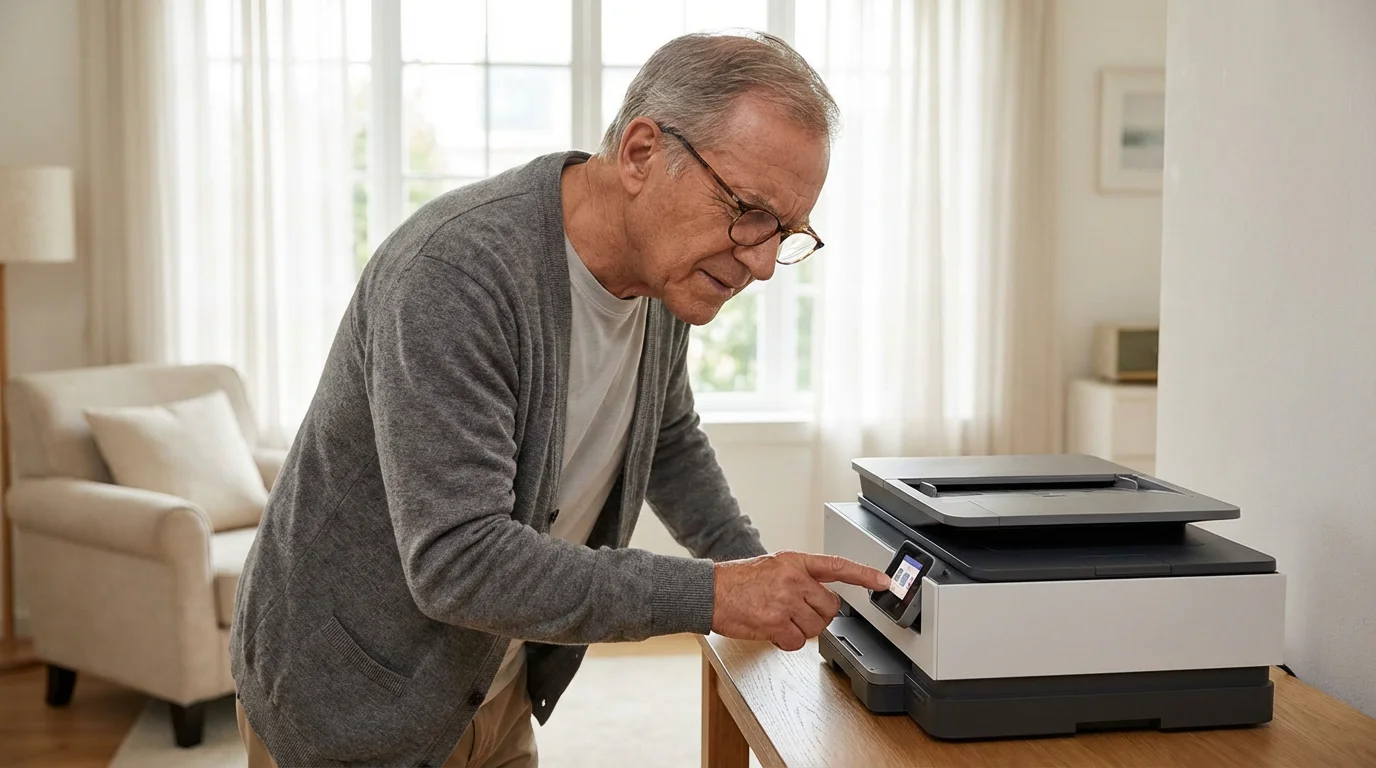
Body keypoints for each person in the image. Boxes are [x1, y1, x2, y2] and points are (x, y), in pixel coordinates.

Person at [229, 29, 890, 768]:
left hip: (485, 686)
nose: (764, 263)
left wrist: (759, 575)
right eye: (748, 211)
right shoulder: (457, 274)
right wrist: (716, 593)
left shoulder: (664, 279)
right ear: (642, 153)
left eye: (788, 232)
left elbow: (663, 437)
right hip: (350, 696)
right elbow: (460, 560)